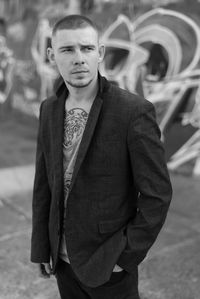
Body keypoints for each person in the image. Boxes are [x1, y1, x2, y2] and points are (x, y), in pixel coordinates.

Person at [31, 14, 172, 299]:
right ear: (51, 55)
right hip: (63, 262)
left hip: (109, 264)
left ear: (100, 53)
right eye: (67, 50)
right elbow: (44, 182)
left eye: (87, 48)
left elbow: (157, 194)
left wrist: (126, 258)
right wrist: (42, 247)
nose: (79, 58)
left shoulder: (132, 112)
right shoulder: (49, 109)